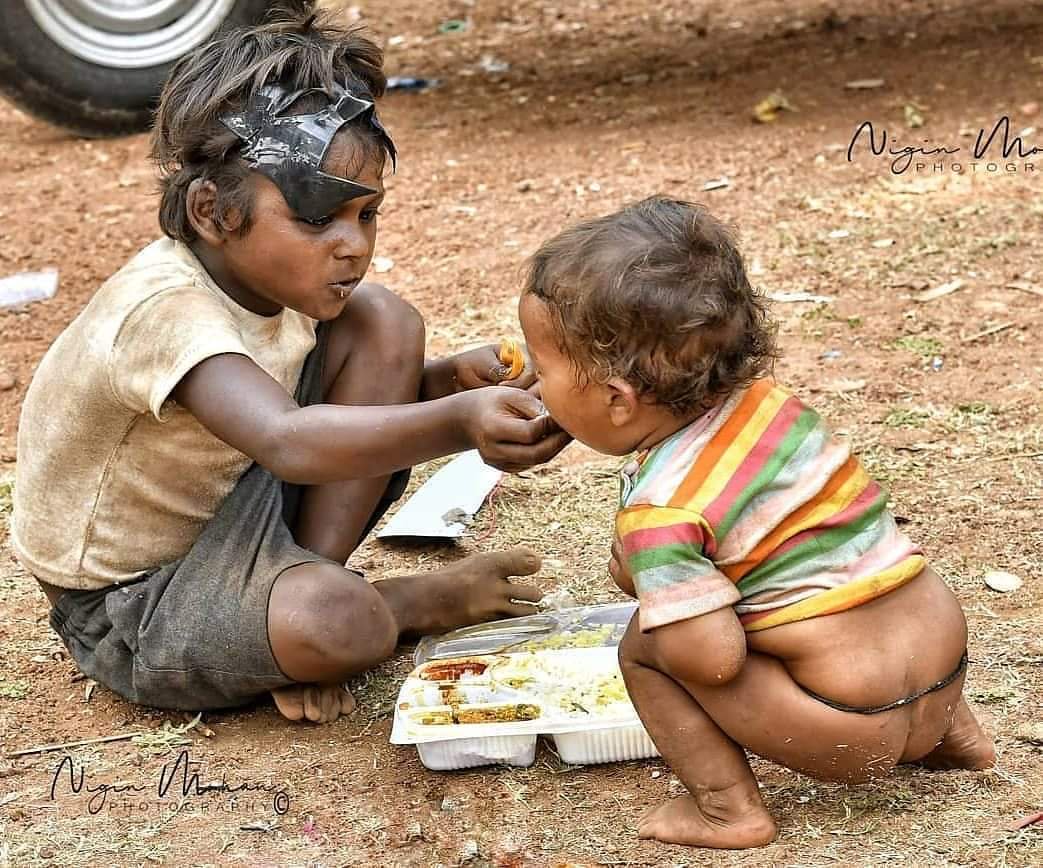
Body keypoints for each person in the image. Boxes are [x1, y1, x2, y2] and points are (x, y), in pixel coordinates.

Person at [10, 7, 569, 725]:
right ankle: (382, 606)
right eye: (317, 218)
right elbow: (286, 440)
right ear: (212, 212)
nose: (351, 245)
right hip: (133, 605)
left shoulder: (271, 279)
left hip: (235, 515)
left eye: (366, 216)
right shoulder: (165, 311)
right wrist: (460, 421)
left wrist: (440, 384)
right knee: (342, 625)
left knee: (382, 321)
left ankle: (300, 591)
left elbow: (295, 411)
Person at [517, 195, 995, 849]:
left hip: (850, 728)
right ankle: (957, 740)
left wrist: (649, 584)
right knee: (843, 579)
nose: (534, 384)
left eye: (540, 369)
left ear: (616, 399)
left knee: (647, 648)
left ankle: (725, 809)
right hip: (944, 666)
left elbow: (709, 661)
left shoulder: (661, 510)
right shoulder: (775, 411)